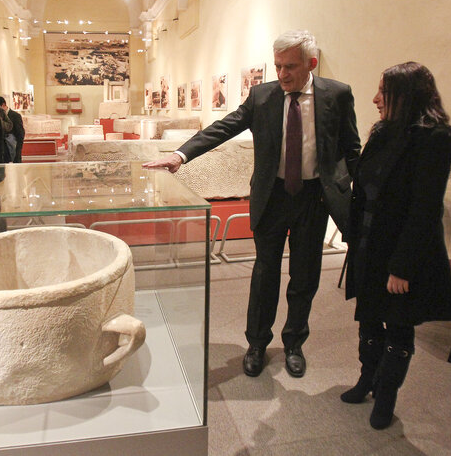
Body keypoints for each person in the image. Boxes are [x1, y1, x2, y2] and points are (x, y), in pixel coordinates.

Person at [144, 30, 361, 378]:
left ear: (312, 64)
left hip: (313, 199)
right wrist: (180, 155)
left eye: (290, 66)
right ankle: (257, 343)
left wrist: (351, 190)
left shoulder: (336, 95)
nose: (283, 73)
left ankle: (293, 343)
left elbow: (351, 148)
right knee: (264, 273)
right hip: (272, 196)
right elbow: (224, 127)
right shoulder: (263, 96)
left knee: (305, 276)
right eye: (278, 66)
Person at [341, 62, 451, 430]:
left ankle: (387, 395)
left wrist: (403, 267)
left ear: (405, 96)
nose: (375, 99)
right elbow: (364, 187)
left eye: (384, 92)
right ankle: (367, 379)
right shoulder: (382, 132)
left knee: (398, 326)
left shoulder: (434, 138)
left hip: (400, 253)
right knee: (369, 316)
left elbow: (426, 210)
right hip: (370, 246)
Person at [0, 95, 25, 163]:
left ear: (3, 105)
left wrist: (18, 152)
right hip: (2, 152)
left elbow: (20, 135)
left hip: (13, 148)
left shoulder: (15, 116)